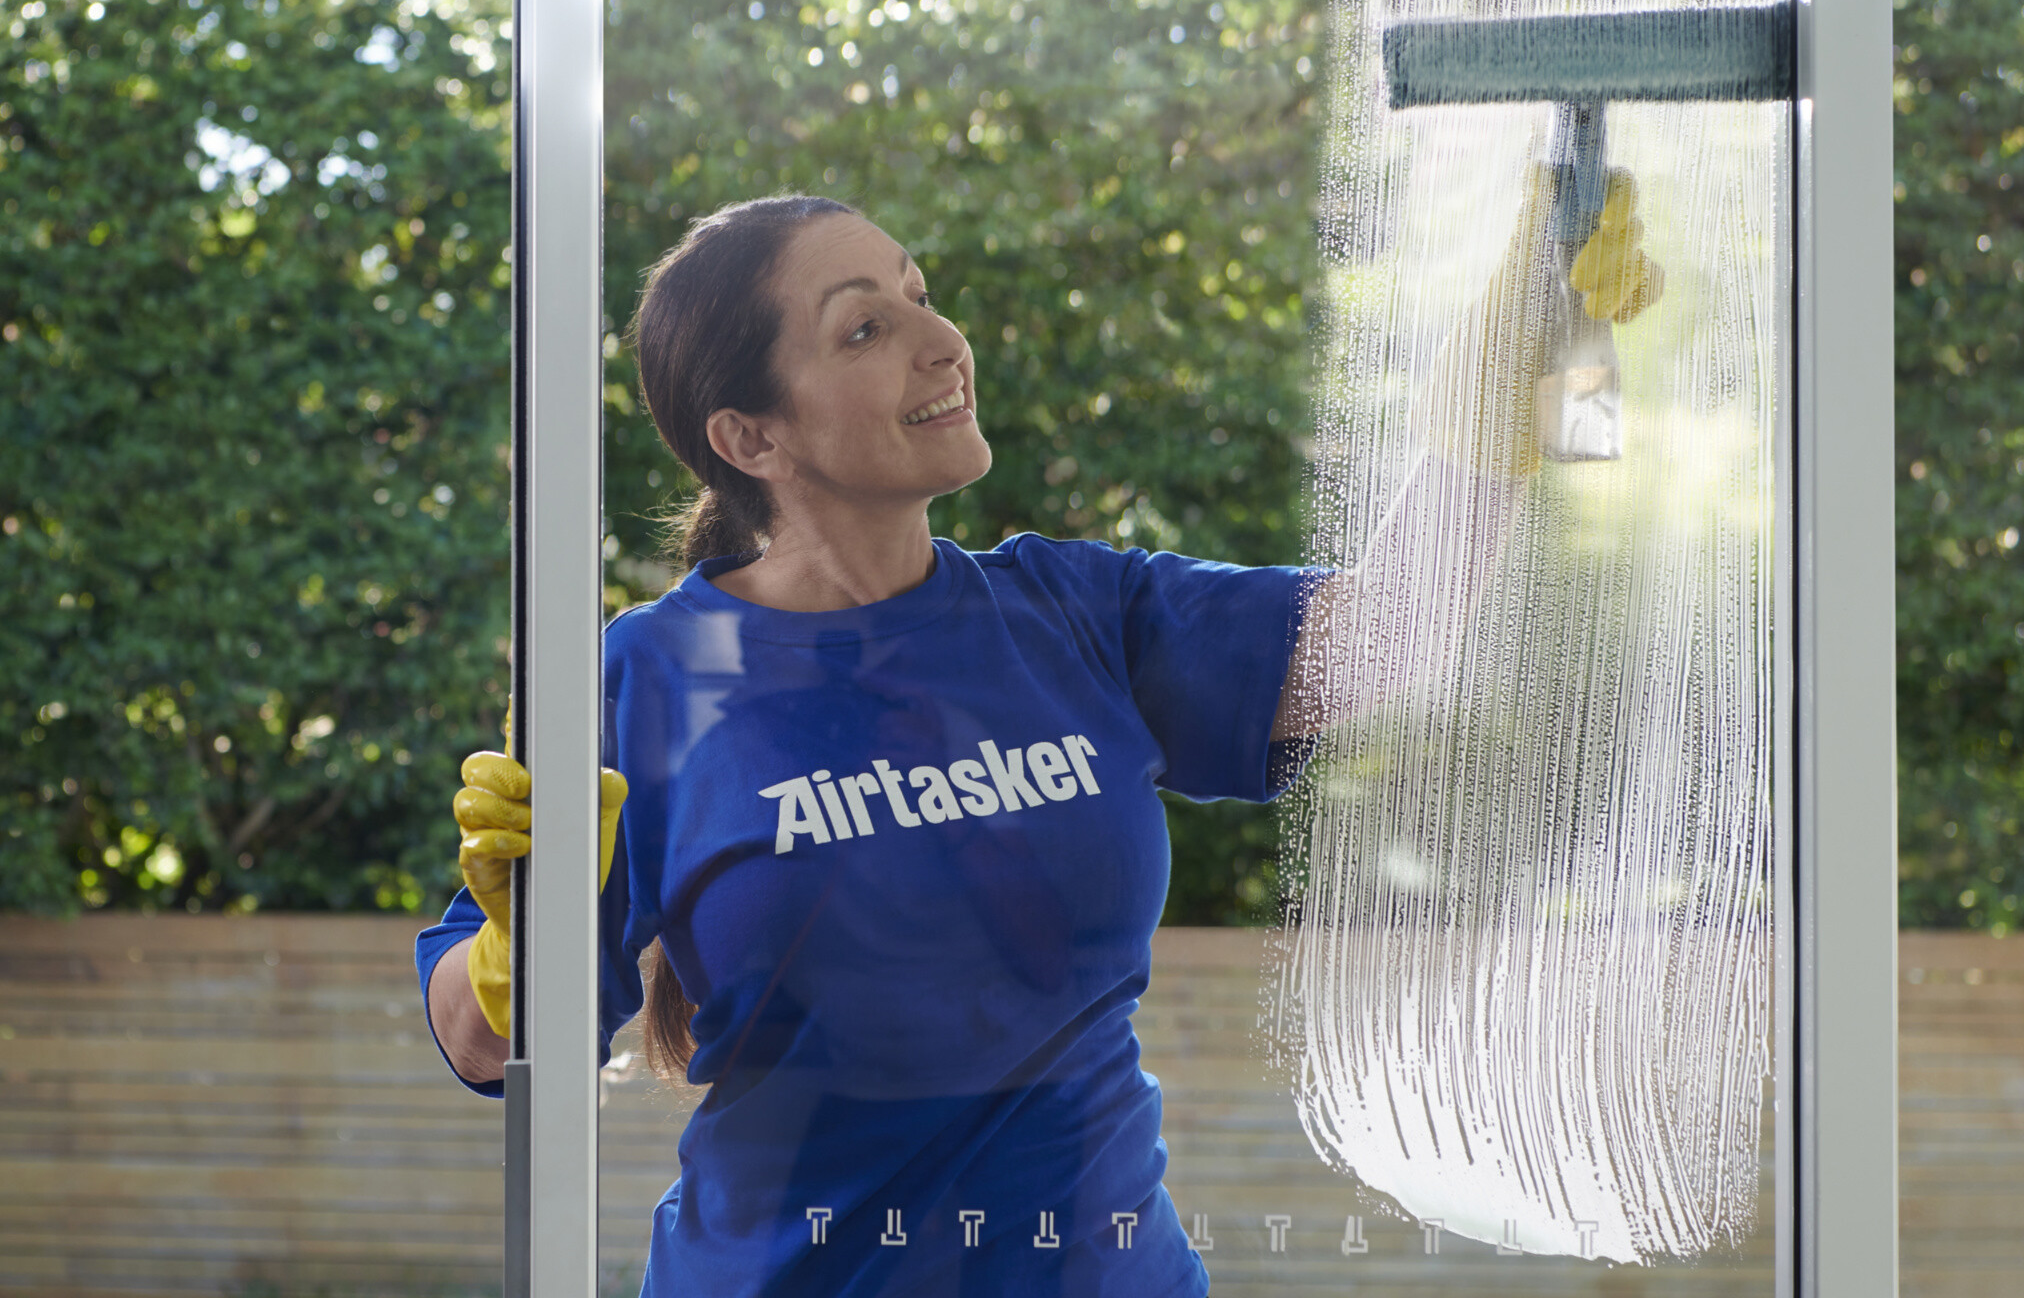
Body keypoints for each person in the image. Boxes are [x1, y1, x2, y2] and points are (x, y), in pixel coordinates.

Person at [417, 182, 1661, 1295]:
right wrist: (512, 952)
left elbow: (1387, 637)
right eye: (867, 327)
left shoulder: (1070, 611)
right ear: (752, 436)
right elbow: (488, 1050)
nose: (943, 342)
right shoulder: (644, 680)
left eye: (921, 296)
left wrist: (1508, 377)